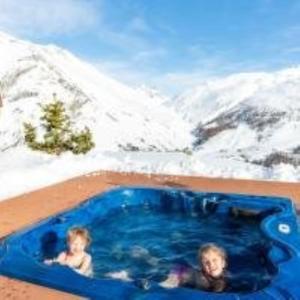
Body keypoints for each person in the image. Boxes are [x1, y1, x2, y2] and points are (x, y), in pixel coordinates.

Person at [160, 243, 227, 292]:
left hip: (183, 269)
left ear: (223, 263)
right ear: (202, 267)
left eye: (215, 260)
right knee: (164, 289)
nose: (211, 264)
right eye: (206, 262)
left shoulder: (226, 276)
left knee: (160, 265)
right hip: (179, 273)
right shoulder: (203, 280)